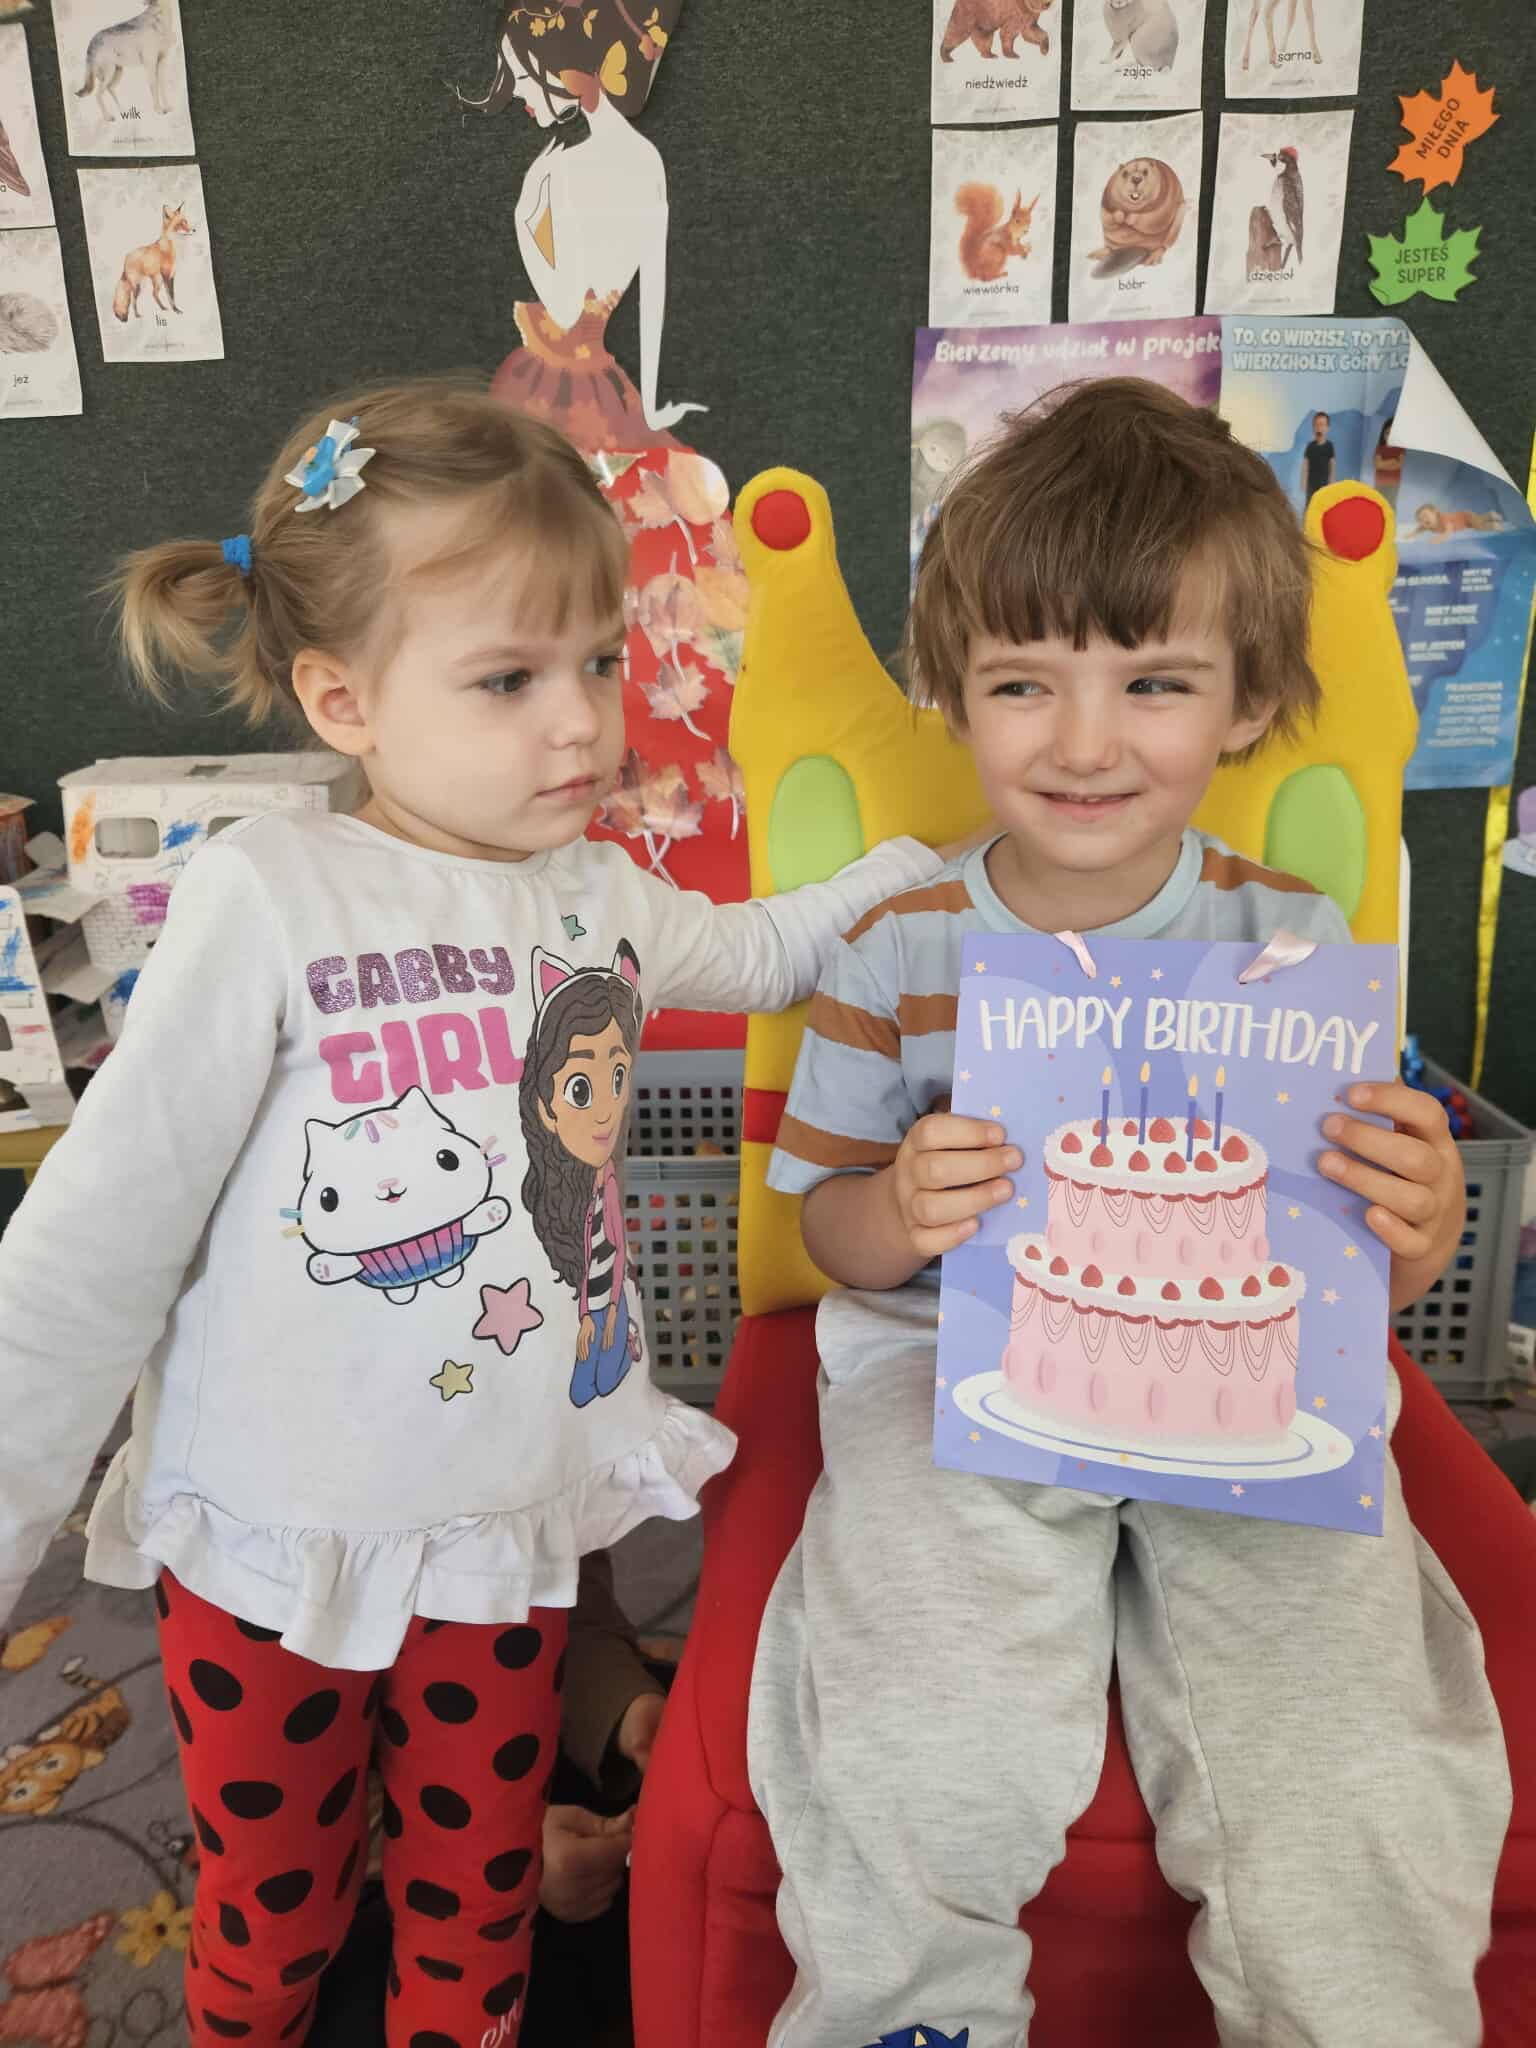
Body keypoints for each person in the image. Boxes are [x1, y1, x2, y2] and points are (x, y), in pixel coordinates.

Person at [0, 378, 952, 2048]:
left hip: (500, 1535)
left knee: (477, 1903)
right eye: (509, 679)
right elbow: (96, 1245)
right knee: (272, 1927)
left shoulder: (600, 892)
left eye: (600, 662)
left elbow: (766, 950)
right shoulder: (270, 893)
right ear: (343, 697)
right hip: (277, 1550)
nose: (582, 723)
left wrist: (920, 865)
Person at [747, 381, 1511, 2048]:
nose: (1084, 743)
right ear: (955, 690)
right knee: (927, 1697)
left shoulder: (1295, 942)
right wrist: (901, 1206)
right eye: (1025, 683)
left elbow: (1352, 1268)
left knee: (1341, 1721)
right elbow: (823, 1239)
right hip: (950, 1366)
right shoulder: (896, 941)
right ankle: (912, 2011)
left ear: (1249, 703)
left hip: (1245, 1385)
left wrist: (1420, 1224)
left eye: (1153, 681)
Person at [1301, 407, 1334, 501]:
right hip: (1311, 484)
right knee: (1310, 503)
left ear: (1327, 428)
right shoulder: (1310, 446)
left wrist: (1332, 480)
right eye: (1317, 425)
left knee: (1323, 503)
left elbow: (1332, 464)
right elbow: (1305, 464)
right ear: (1313, 428)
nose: (1319, 428)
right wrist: (1303, 481)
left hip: (1324, 484)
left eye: (1322, 425)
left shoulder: (1329, 446)